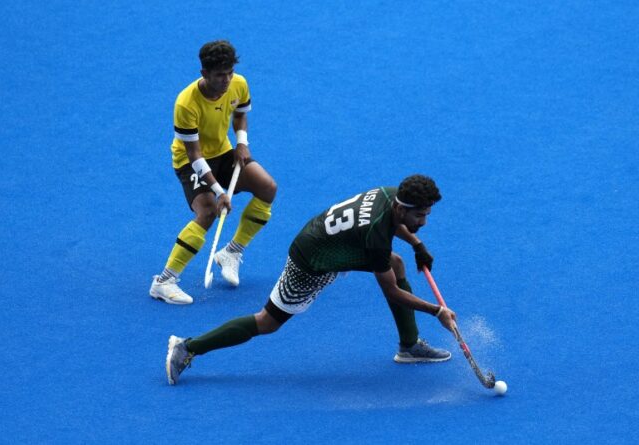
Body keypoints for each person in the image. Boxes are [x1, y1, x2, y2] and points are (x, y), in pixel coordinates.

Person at [165, 175, 457, 384]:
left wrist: (418, 246)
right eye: (420, 215)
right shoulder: (376, 236)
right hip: (312, 262)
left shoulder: (390, 194)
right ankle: (188, 347)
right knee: (267, 322)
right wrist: (437, 311)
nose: (423, 222)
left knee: (396, 262)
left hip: (332, 240)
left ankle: (409, 345)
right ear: (401, 207)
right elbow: (391, 291)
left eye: (427, 214)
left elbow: (390, 225)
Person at [150, 40, 277, 304]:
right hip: (190, 161)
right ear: (204, 74)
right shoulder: (186, 103)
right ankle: (164, 281)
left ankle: (231, 252)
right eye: (220, 75)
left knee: (267, 187)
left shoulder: (238, 83)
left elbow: (240, 114)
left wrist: (242, 142)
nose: (227, 79)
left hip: (223, 152)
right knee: (208, 212)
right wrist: (220, 192)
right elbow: (194, 155)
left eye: (230, 72)